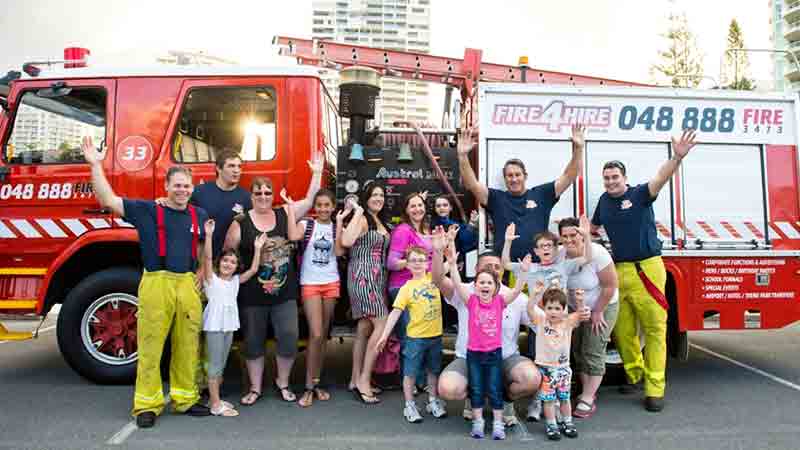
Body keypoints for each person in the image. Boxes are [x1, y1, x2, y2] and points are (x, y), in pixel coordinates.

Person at [81, 136, 211, 428]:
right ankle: (146, 405)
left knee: (188, 344)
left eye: (187, 186)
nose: (182, 190)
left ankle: (185, 398)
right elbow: (108, 200)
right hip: (156, 282)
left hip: (187, 284)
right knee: (151, 345)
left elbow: (202, 246)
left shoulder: (198, 214)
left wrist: (202, 272)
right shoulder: (148, 210)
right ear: (166, 186)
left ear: (192, 188)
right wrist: (95, 165)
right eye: (177, 185)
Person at [591, 129, 698, 413]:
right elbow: (592, 228)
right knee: (623, 332)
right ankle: (635, 374)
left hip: (648, 269)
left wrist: (677, 156)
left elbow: (660, 178)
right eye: (607, 178)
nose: (611, 181)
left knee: (654, 330)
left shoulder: (640, 194)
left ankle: (655, 389)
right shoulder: (603, 201)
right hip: (619, 272)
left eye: (615, 177)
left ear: (624, 178)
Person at [431, 230, 541, 428]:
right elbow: (439, 279)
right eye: (487, 267)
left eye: (497, 267)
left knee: (531, 379)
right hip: (469, 357)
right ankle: (474, 396)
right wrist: (438, 252)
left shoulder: (512, 298)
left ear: (502, 271)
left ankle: (507, 402)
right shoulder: (466, 293)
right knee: (448, 388)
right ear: (476, 269)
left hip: (506, 357)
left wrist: (567, 319)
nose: (493, 270)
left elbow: (541, 322)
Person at [224, 179, 303, 406]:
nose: (263, 196)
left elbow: (309, 202)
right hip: (252, 295)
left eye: (268, 192)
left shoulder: (283, 215)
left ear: (273, 195)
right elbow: (229, 254)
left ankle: (283, 382)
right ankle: (256, 388)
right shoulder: (241, 222)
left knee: (289, 337)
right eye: (258, 192)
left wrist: (316, 174)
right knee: (253, 341)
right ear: (251, 196)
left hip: (285, 293)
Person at [457, 124, 585, 262]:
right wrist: (463, 156)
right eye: (509, 175)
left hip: (537, 268)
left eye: (517, 175)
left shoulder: (542, 194)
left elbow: (568, 176)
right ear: (505, 179)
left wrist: (578, 149)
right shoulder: (495, 198)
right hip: (505, 268)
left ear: (525, 176)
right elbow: (472, 184)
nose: (514, 179)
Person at [449, 243, 529, 440]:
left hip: (494, 354)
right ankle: (478, 423)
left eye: (489, 283)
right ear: (475, 286)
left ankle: (498, 423)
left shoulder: (500, 302)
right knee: (476, 388)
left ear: (495, 287)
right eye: (481, 282)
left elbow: (517, 291)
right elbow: (458, 284)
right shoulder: (471, 301)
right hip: (474, 354)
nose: (485, 286)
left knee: (494, 389)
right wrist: (451, 264)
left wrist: (524, 273)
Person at [200, 219, 266, 417]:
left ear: (237, 266)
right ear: (219, 263)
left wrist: (257, 248)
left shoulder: (236, 280)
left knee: (221, 363)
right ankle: (214, 404)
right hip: (214, 325)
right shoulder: (211, 278)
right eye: (225, 260)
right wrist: (210, 235)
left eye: (232, 262)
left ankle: (216, 398)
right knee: (214, 364)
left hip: (228, 324)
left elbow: (254, 270)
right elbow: (207, 257)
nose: (228, 264)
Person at [375, 245, 447, 423]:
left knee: (433, 370)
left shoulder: (435, 279)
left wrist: (448, 246)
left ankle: (432, 401)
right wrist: (384, 335)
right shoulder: (406, 288)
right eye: (413, 260)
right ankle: (410, 405)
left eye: (421, 260)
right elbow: (395, 313)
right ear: (407, 264)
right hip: (415, 339)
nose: (417, 263)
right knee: (410, 373)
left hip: (435, 336)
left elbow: (447, 263)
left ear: (427, 263)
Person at [557, 217, 619, 419]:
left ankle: (589, 397)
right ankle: (585, 389)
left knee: (593, 349)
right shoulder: (560, 256)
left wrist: (598, 311)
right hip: (577, 308)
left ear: (581, 234)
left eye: (573, 235)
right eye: (564, 236)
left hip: (603, 304)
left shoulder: (598, 254)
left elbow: (610, 286)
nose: (568, 240)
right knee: (578, 350)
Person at [339, 183, 391, 404]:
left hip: (377, 279)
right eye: (374, 195)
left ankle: (353, 378)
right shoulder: (362, 218)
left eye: (381, 195)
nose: (378, 198)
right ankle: (364, 380)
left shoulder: (379, 220)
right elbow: (346, 242)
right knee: (382, 323)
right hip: (363, 276)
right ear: (365, 198)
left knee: (364, 328)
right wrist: (358, 211)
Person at [296, 189, 343, 407]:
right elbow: (291, 235)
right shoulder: (307, 226)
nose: (323, 209)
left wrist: (342, 222)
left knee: (323, 336)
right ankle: (308, 386)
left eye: (327, 205)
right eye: (319, 205)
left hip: (331, 283)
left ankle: (316, 382)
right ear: (315, 207)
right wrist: (290, 208)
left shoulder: (335, 227)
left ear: (333, 207)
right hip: (310, 284)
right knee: (314, 334)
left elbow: (340, 252)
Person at [527, 286, 589, 440]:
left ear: (564, 309)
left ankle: (568, 422)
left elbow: (582, 315)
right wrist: (535, 295)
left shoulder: (568, 322)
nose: (553, 312)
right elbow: (529, 308)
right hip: (546, 369)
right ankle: (551, 425)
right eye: (549, 308)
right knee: (548, 401)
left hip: (563, 369)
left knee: (564, 398)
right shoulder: (541, 320)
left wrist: (580, 301)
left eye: (557, 308)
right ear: (544, 308)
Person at [500, 218, 593, 300]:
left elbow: (587, 258)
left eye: (549, 245)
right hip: (537, 316)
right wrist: (508, 241)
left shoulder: (564, 266)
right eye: (542, 246)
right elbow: (505, 264)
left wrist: (586, 236)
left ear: (556, 249)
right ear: (536, 251)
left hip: (560, 317)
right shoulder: (528, 267)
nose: (545, 248)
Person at [190, 150, 252, 260]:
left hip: (228, 264)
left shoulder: (247, 198)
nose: (236, 171)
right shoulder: (199, 192)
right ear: (218, 168)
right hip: (201, 260)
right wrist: (164, 201)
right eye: (231, 166)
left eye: (239, 166)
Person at [432, 194, 478, 259]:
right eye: (438, 206)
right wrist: (471, 224)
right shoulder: (434, 224)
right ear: (435, 209)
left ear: (450, 208)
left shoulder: (456, 223)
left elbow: (466, 241)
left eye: (445, 205)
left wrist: (471, 223)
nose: (441, 208)